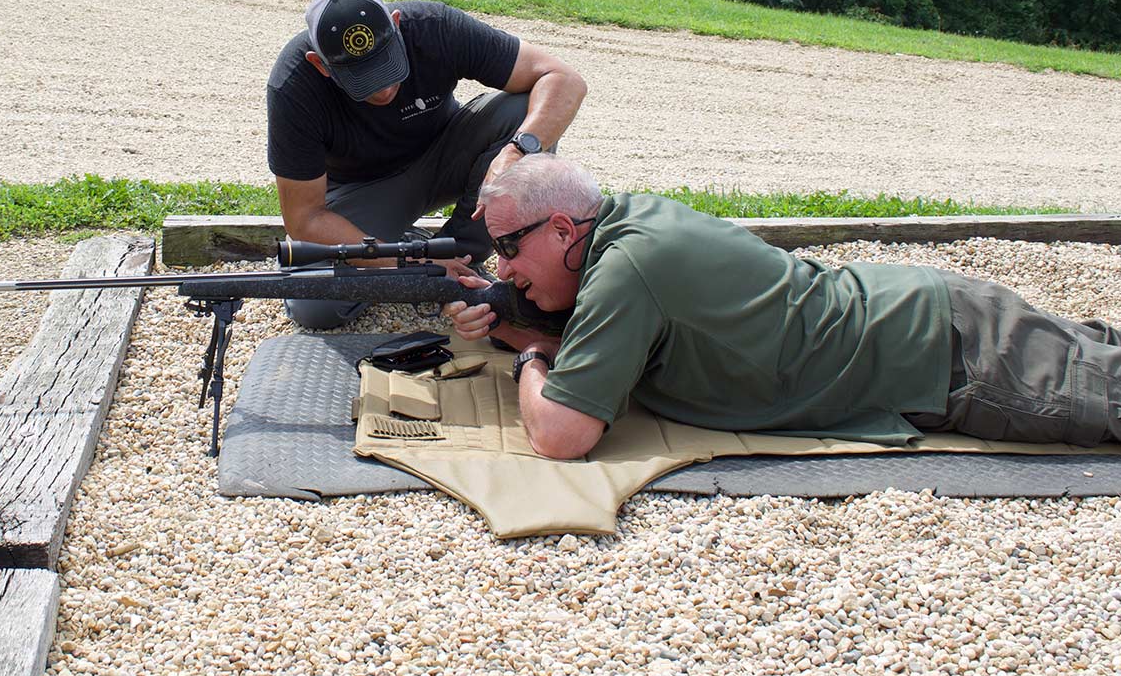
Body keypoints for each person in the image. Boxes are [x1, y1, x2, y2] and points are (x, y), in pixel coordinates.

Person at [444, 153, 1121, 460]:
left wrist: (530, 354)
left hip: (956, 356)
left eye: (508, 247)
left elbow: (560, 435)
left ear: (564, 229)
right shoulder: (625, 228)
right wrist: (513, 319)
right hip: (934, 320)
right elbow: (617, 343)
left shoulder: (627, 268)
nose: (503, 267)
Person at [267, 0, 587, 329]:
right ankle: (414, 250)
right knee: (314, 306)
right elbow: (304, 218)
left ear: (397, 23)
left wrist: (517, 150)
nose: (384, 88)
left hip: (445, 157)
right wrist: (409, 263)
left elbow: (564, 79)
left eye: (388, 67)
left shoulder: (435, 27)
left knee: (522, 111)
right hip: (364, 191)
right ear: (321, 65)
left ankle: (462, 256)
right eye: (363, 80)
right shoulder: (293, 85)